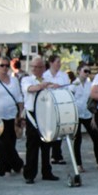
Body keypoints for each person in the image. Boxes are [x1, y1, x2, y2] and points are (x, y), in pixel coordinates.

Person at [21, 56, 61, 184]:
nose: (35, 69)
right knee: (32, 145)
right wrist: (42, 86)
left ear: (43, 68)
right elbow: (30, 89)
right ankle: (29, 174)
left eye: (38, 67)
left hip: (45, 114)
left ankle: (46, 172)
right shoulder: (27, 79)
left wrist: (54, 86)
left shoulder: (47, 80)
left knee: (46, 144)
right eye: (33, 66)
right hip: (32, 115)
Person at [0, 55, 25, 177]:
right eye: (2, 65)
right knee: (3, 144)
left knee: (11, 142)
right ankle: (16, 165)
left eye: (7, 66)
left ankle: (6, 167)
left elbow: (19, 98)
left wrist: (21, 114)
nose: (5, 68)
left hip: (12, 116)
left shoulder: (14, 80)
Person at [69, 64, 98, 175]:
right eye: (85, 71)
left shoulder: (90, 85)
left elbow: (93, 101)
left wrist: (94, 116)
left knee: (96, 137)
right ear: (79, 71)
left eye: (88, 71)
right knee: (77, 139)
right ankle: (78, 164)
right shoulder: (73, 85)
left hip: (87, 114)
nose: (87, 73)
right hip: (76, 114)